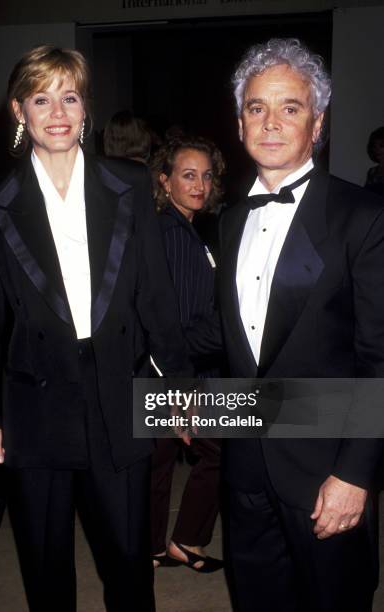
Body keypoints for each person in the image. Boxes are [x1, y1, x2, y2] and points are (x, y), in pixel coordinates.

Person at [0, 45, 192, 612]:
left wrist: (183, 385)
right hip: (35, 401)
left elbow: (154, 294)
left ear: (85, 107)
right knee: (45, 563)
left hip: (117, 389)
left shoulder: (130, 184)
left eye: (69, 96)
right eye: (42, 99)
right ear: (20, 111)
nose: (58, 112)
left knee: (128, 561)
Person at [187, 38, 384, 612]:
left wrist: (355, 474)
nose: (271, 123)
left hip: (326, 474)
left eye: (290, 108)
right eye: (256, 107)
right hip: (246, 468)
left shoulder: (364, 218)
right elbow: (232, 335)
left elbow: (378, 358)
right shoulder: (228, 221)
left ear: (317, 123)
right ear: (240, 119)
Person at [149, 136, 225, 572]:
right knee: (217, 452)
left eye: (206, 175)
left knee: (158, 462)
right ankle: (184, 541)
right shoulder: (171, 233)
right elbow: (169, 324)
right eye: (188, 175)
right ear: (165, 180)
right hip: (176, 372)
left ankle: (157, 545)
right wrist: (181, 397)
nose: (199, 184)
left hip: (178, 369)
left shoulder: (187, 228)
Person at [365, 126, 384, 196]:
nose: (377, 150)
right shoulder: (372, 172)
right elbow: (365, 195)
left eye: (382, 146)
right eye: (374, 146)